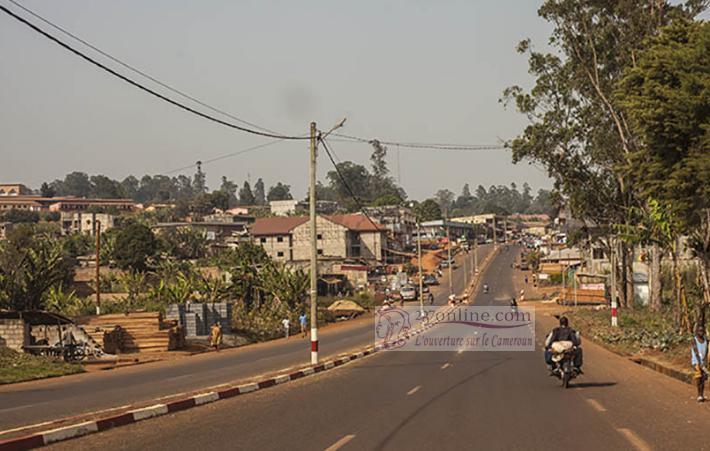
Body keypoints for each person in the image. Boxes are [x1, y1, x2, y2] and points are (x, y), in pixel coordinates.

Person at [692, 325, 708, 402]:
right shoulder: (694, 340)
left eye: (702, 331)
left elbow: (707, 351)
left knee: (703, 379)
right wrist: (699, 362)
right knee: (698, 378)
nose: (701, 332)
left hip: (703, 362)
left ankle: (702, 394)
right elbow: (696, 351)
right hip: (696, 362)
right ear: (697, 332)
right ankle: (699, 395)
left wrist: (705, 360)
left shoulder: (706, 340)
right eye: (699, 331)